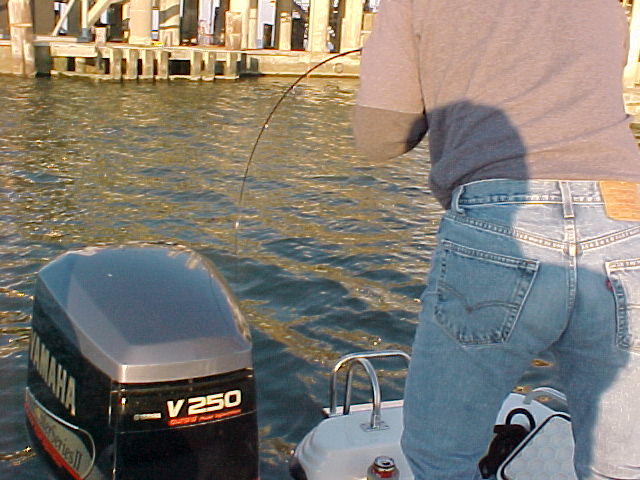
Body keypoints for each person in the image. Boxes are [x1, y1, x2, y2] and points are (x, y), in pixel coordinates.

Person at [352, 0, 640, 479]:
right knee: (622, 465)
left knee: (441, 458)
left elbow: (379, 138)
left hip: (498, 219)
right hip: (626, 217)